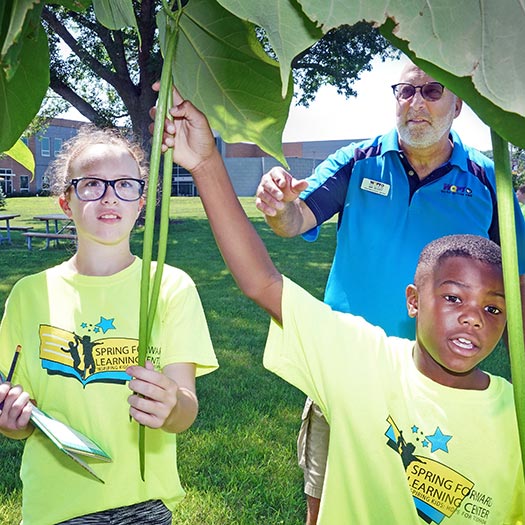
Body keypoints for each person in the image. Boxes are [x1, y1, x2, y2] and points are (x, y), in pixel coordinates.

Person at [158, 89, 524, 524]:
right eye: (406, 90)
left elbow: (516, 280)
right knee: (325, 495)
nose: (417, 103)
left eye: (432, 91)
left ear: (458, 105)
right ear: (415, 299)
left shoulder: (489, 178)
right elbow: (279, 249)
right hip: (352, 374)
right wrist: (242, 185)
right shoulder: (360, 159)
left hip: (433, 383)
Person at [0, 126, 218, 525]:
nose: (109, 196)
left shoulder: (171, 287)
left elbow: (186, 409)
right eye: (91, 185)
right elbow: (20, 414)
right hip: (57, 507)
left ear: (141, 202)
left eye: (124, 185)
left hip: (144, 503)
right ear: (65, 201)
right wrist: (11, 422)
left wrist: (171, 406)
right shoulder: (29, 295)